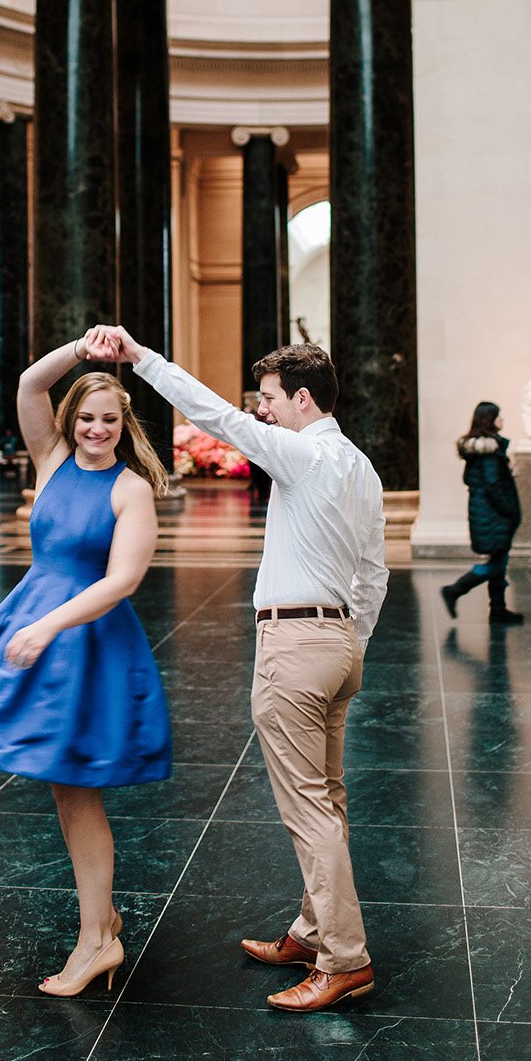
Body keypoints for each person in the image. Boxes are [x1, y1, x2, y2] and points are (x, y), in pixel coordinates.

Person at [90, 324, 388, 1014]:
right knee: (329, 801)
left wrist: (142, 360)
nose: (261, 409)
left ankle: (345, 960)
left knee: (307, 810)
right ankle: (313, 933)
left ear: (304, 399)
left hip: (296, 648)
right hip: (340, 644)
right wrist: (353, 642)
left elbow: (212, 416)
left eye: (270, 398)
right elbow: (374, 572)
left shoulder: (303, 456)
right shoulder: (361, 467)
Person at [0, 331, 171, 998]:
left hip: (84, 640)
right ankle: (101, 923)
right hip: (36, 621)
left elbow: (120, 581)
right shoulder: (53, 457)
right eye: (86, 417)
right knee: (65, 790)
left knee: (75, 788)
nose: (96, 428)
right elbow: (31, 383)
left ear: (124, 425)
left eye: (109, 419)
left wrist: (47, 626)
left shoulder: (132, 491)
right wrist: (85, 350)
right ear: (72, 423)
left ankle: (98, 938)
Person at [440, 401, 524, 624]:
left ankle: (498, 609)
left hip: (486, 514)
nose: (502, 420)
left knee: (499, 561)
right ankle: (455, 590)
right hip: (494, 516)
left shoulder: (480, 452)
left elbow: (472, 479)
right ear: (490, 419)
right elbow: (493, 485)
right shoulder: (489, 453)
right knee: (496, 563)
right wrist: (510, 510)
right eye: (499, 416)